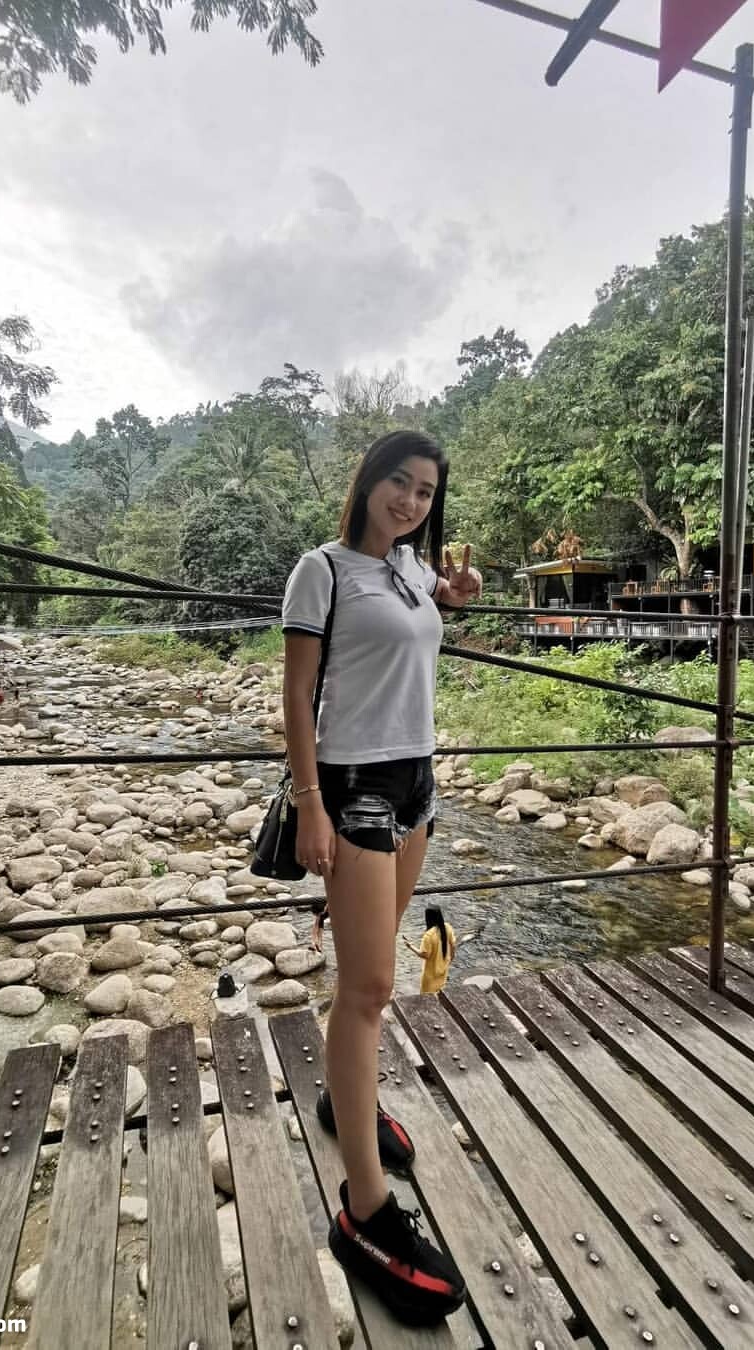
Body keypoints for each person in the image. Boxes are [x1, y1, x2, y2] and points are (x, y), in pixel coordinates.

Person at [281, 429, 482, 1326]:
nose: (410, 500)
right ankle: (363, 1209)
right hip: (354, 786)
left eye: (426, 491)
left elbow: (422, 620)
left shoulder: (410, 569)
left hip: (418, 781)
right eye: (398, 481)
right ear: (367, 482)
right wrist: (310, 804)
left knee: (374, 975)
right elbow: (298, 695)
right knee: (367, 989)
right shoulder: (321, 570)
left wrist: (456, 597)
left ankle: (343, 1096)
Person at [401, 906, 459, 994]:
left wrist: (410, 946)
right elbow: (453, 945)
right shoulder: (447, 927)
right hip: (443, 969)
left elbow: (425, 955)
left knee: (427, 997)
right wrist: (450, 959)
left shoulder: (428, 935)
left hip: (430, 974)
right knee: (440, 993)